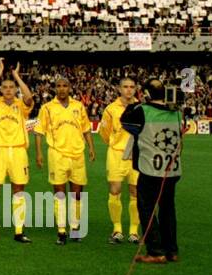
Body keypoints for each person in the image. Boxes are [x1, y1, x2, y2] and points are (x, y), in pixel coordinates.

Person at [121, 78, 185, 264]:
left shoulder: (142, 110)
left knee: (146, 208)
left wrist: (133, 103)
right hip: (171, 170)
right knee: (167, 209)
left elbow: (125, 122)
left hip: (150, 169)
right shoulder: (177, 113)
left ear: (146, 94)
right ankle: (171, 250)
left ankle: (156, 251)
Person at [33, 76, 96, 245]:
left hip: (77, 155)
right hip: (57, 154)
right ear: (54, 88)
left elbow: (86, 129)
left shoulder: (79, 106)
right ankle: (61, 230)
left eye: (65, 86)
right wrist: (39, 153)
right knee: (59, 193)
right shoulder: (47, 108)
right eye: (58, 86)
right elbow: (38, 132)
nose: (61, 89)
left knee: (77, 193)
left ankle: (75, 228)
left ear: (70, 88)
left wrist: (91, 147)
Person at [0, 58, 34, 244]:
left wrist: (17, 76)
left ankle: (19, 231)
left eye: (12, 87)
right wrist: (0, 72)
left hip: (18, 151)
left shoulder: (21, 105)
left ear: (15, 89)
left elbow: (29, 97)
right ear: (1, 90)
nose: (9, 90)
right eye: (5, 87)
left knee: (19, 190)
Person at [97, 76, 141, 244]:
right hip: (116, 155)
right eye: (125, 87)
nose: (128, 90)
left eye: (131, 86)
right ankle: (117, 229)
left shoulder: (141, 108)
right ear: (119, 89)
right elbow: (105, 132)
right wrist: (116, 145)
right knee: (115, 190)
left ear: (135, 89)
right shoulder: (111, 109)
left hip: (136, 155)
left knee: (135, 192)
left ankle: (133, 231)